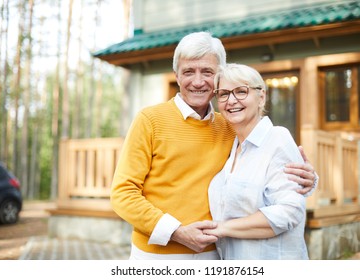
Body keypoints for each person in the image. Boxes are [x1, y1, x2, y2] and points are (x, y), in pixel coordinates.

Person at [110, 31, 317, 260]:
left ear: (219, 76)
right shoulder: (149, 120)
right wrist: (176, 232)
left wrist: (309, 179)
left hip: (215, 253)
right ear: (177, 76)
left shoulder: (230, 125)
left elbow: (268, 160)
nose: (197, 81)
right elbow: (123, 194)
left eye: (207, 72)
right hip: (158, 256)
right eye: (188, 71)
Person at [203, 63, 309, 259]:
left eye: (241, 91)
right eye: (224, 94)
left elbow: (289, 211)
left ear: (261, 97)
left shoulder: (278, 139)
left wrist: (222, 228)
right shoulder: (231, 147)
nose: (231, 100)